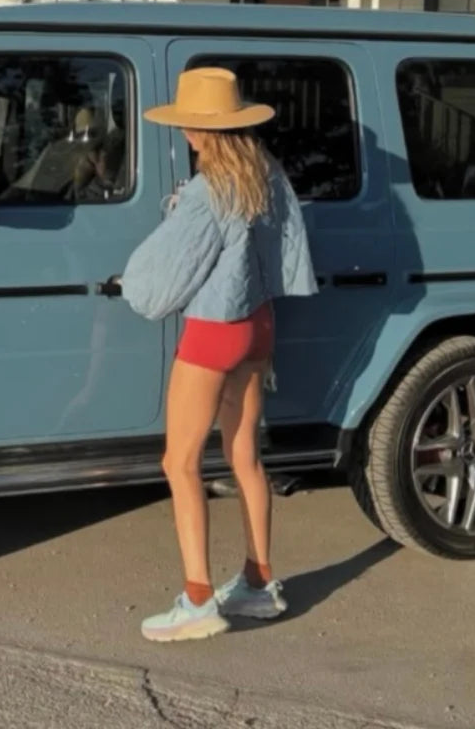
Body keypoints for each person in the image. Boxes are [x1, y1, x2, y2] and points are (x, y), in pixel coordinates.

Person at [120, 67, 316, 643]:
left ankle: (199, 598)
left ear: (200, 131)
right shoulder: (266, 177)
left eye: (189, 124)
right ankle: (258, 583)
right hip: (259, 326)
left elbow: (170, 271)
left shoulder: (208, 192)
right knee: (244, 457)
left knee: (178, 463)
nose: (185, 132)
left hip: (214, 329)